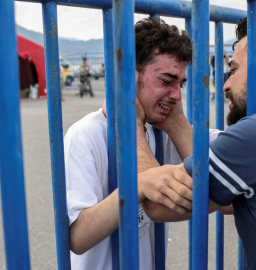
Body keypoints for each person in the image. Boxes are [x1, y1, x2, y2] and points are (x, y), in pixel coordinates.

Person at [64, 17, 206, 270]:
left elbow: (214, 182)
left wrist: (176, 122)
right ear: (128, 75)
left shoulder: (157, 130)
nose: (177, 95)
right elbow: (76, 237)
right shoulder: (86, 134)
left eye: (181, 84)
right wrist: (137, 187)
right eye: (166, 80)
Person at [139, 17, 256, 270]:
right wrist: (177, 123)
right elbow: (226, 200)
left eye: (233, 70)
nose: (225, 84)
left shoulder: (252, 135)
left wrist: (129, 123)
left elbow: (158, 204)